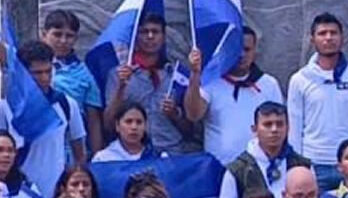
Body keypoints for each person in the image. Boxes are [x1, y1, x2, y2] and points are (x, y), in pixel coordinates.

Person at [287, 13, 348, 192]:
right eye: (322, 33)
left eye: (333, 33)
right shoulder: (300, 79)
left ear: (342, 38)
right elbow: (294, 128)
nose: (328, 38)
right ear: (312, 39)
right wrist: (299, 166)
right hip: (314, 163)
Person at [0, 40, 88, 194]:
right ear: (23, 73)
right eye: (37, 73)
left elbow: (80, 152)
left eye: (48, 71)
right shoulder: (6, 107)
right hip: (18, 191)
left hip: (55, 193)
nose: (44, 78)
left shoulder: (66, 104)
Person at [182, 27, 285, 166]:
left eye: (247, 49)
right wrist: (195, 75)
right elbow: (193, 114)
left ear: (255, 51)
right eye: (236, 49)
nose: (241, 54)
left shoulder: (269, 84)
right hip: (220, 168)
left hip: (260, 169)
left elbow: (281, 126)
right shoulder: (211, 81)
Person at [105, 12, 200, 155]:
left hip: (171, 152)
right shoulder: (118, 75)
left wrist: (175, 114)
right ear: (135, 36)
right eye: (144, 32)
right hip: (133, 154)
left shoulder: (177, 76)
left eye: (155, 32)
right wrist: (121, 87)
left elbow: (190, 129)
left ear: (163, 37)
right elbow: (108, 123)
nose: (150, 36)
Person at [219, 102, 311, 198]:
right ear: (255, 129)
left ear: (288, 128)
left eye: (280, 124)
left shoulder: (303, 165)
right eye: (268, 125)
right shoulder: (237, 170)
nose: (274, 130)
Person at [40, 9, 104, 155]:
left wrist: (96, 158)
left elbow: (93, 121)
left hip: (70, 150)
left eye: (69, 36)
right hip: (37, 147)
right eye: (57, 34)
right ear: (44, 34)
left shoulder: (84, 74)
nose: (63, 41)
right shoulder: (28, 65)